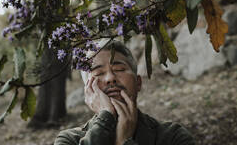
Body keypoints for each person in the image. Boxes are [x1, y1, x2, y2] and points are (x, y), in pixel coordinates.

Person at [54, 40, 195, 145]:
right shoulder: (69, 140)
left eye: (120, 70)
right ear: (88, 91)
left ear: (138, 83)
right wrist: (105, 120)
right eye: (99, 73)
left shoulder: (172, 136)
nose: (110, 78)